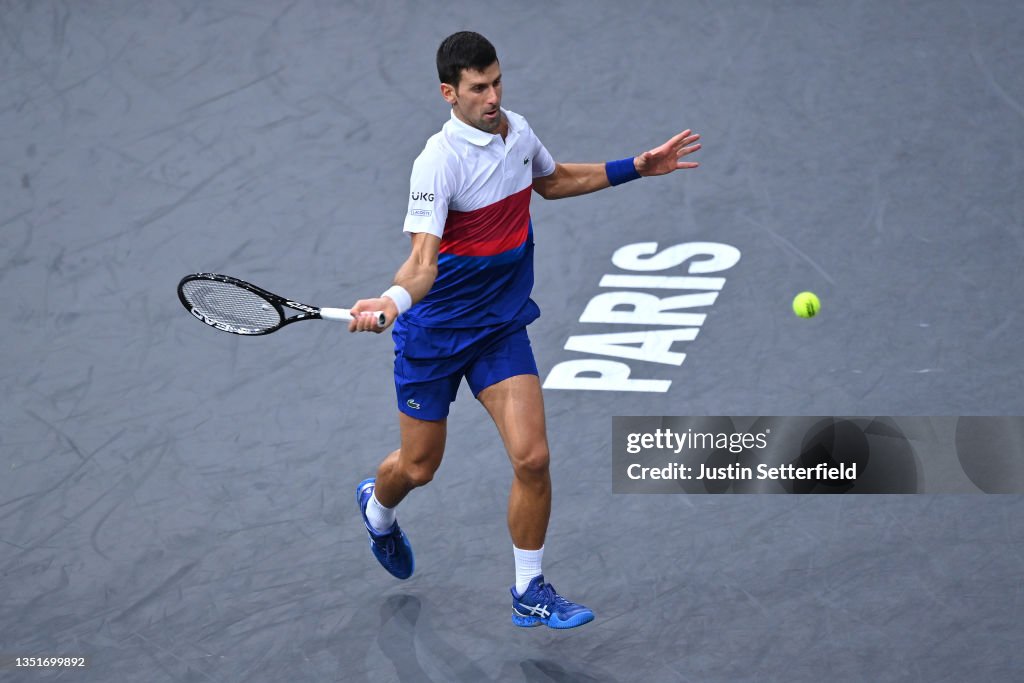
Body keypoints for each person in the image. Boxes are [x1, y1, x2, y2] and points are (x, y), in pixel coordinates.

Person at [347, 31, 700, 629]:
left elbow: (553, 180)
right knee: (417, 467)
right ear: (449, 94)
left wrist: (635, 168)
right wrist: (392, 301)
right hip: (433, 335)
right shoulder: (437, 162)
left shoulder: (516, 130)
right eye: (478, 88)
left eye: (497, 82)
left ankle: (529, 589)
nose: (493, 97)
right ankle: (376, 510)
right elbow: (423, 261)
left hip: (499, 328)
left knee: (532, 459)